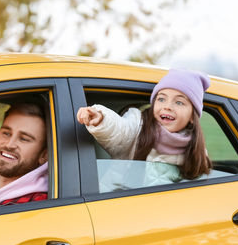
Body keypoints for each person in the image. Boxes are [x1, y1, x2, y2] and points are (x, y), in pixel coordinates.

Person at [76, 68, 212, 180]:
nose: (168, 106)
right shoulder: (138, 126)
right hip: (115, 205)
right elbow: (120, 130)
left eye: (179, 102)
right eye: (162, 99)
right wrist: (101, 117)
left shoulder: (195, 151)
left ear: (192, 117)